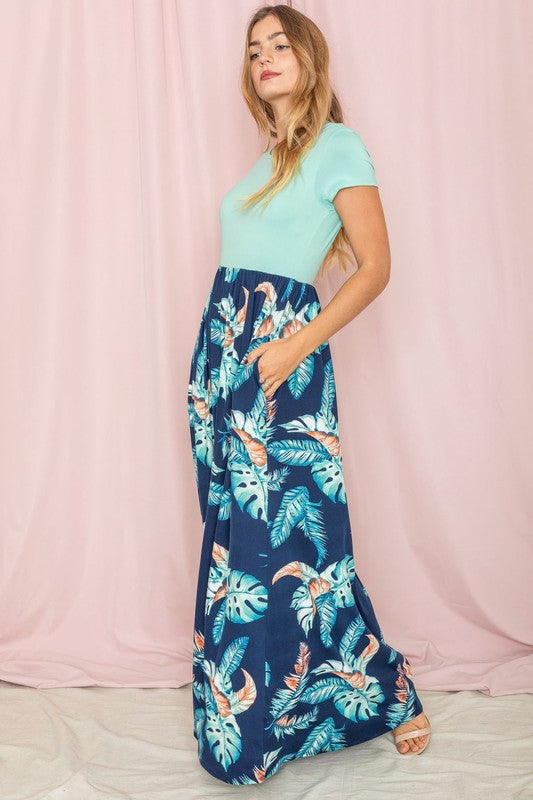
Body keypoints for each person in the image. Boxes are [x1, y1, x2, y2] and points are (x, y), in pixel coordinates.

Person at [187, 4, 431, 785]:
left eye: (278, 44)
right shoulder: (267, 157)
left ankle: (385, 692)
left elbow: (374, 266)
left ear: (309, 57)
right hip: (225, 360)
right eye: (253, 48)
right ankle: (254, 717)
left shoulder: (338, 146)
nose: (263, 57)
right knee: (237, 539)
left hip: (281, 360)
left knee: (302, 548)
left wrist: (294, 345)